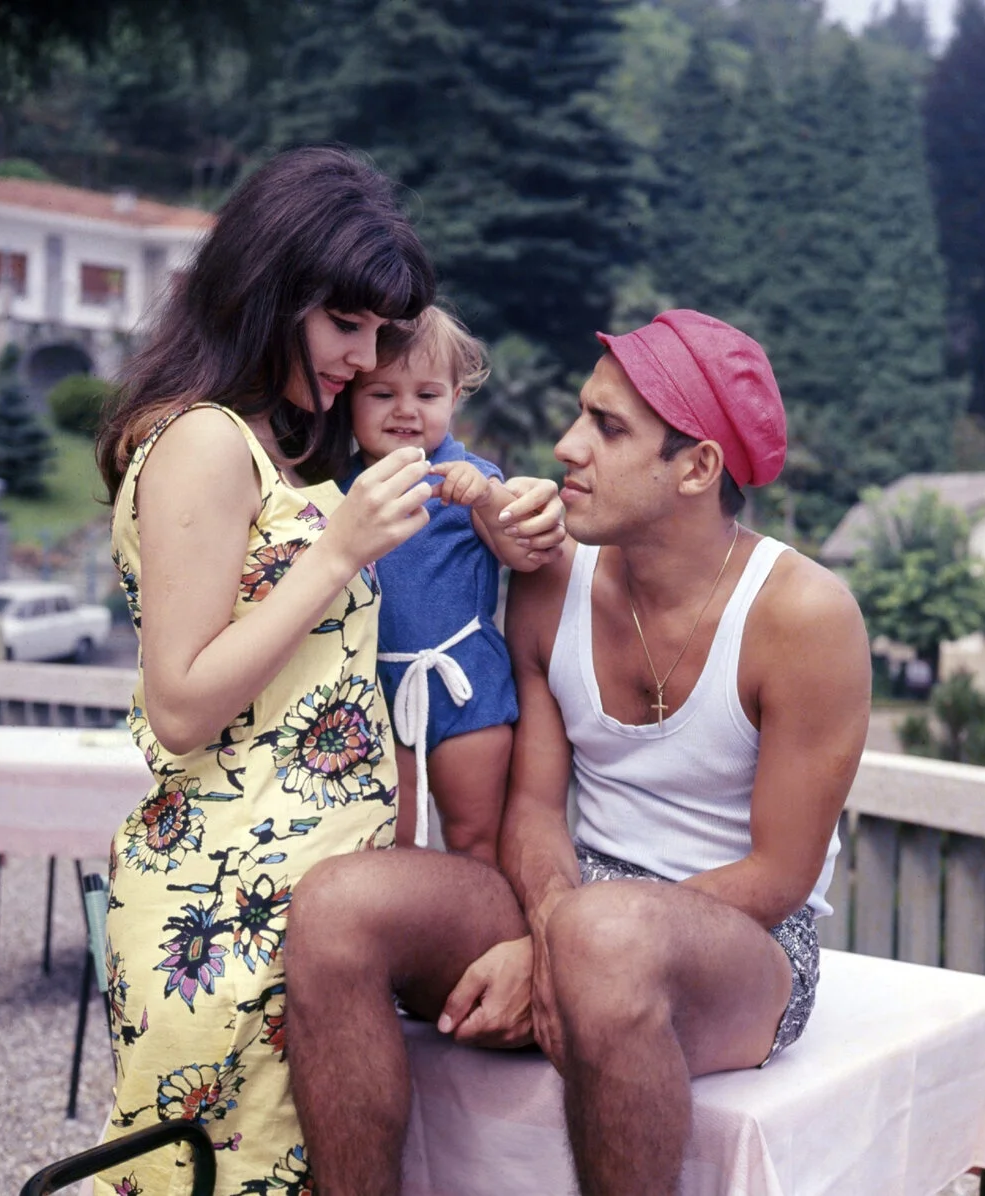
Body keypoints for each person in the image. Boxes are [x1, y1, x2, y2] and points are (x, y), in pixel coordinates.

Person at [285, 309, 871, 1196]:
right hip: (569, 897)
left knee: (609, 934)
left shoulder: (803, 616)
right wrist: (557, 930)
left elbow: (781, 874)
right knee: (338, 904)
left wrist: (564, 946)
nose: (566, 445)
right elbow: (531, 811)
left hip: (744, 942)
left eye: (607, 427)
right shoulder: (553, 577)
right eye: (579, 414)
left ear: (697, 468)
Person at [91, 145, 562, 1195]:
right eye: (346, 324)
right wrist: (338, 551)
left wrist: (506, 511)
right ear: (270, 291)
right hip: (234, 908)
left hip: (296, 897)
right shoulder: (205, 441)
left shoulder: (283, 441)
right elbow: (179, 704)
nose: (363, 355)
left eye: (380, 331)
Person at [343, 305, 559, 859]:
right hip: (377, 692)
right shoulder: (341, 491)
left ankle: (486, 917)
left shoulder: (473, 478)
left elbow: (524, 554)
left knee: (475, 837)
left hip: (468, 685)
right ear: (349, 397)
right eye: (382, 394)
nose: (405, 410)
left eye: (427, 394)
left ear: (455, 397)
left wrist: (486, 497)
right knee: (396, 842)